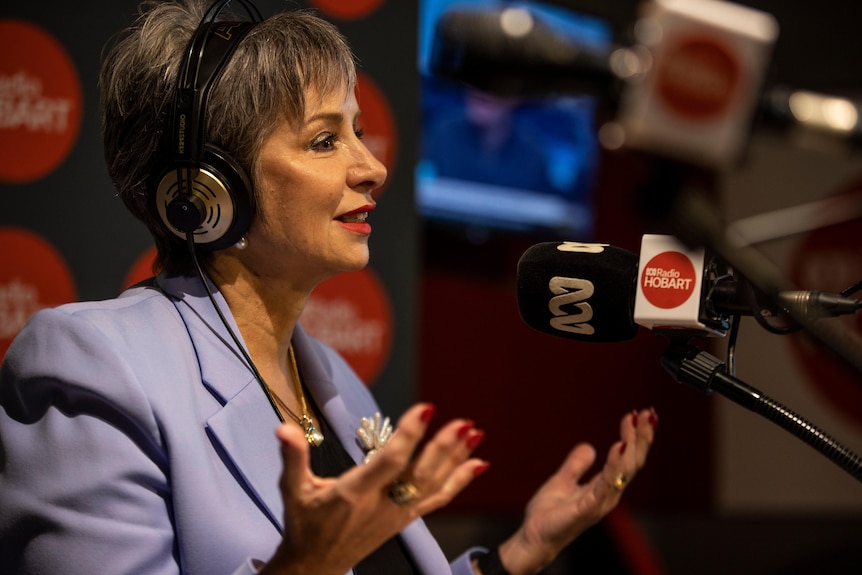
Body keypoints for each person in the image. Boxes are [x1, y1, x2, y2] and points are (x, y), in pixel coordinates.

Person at [0, 1, 658, 574]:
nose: (372, 167)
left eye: (360, 133)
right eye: (323, 141)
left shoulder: (335, 379)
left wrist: (515, 554)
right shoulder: (93, 364)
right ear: (207, 194)